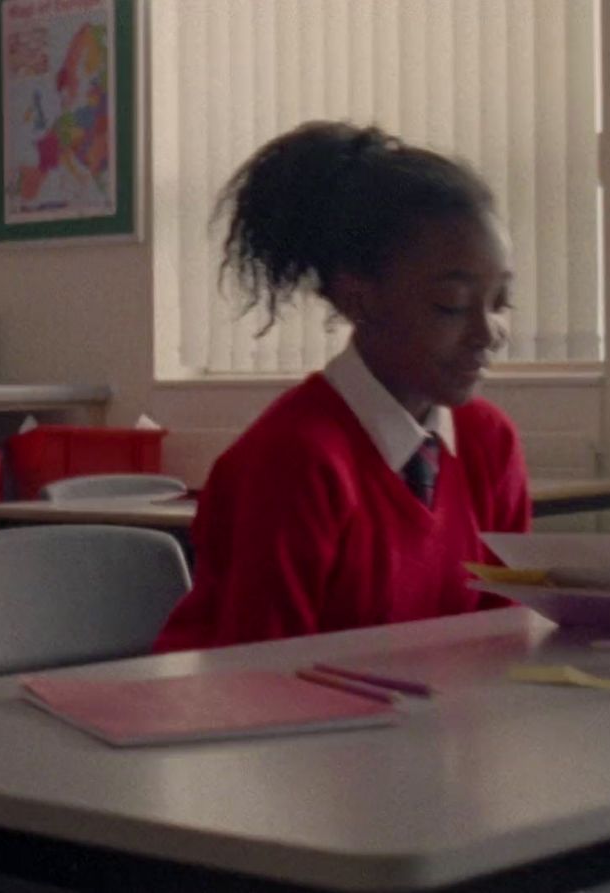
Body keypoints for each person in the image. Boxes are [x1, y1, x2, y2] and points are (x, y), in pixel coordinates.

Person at [152, 120, 531, 652]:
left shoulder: (490, 442)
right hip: (239, 723)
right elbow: (262, 681)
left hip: (408, 729)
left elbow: (503, 642)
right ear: (360, 298)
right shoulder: (296, 458)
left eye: (500, 304)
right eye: (451, 305)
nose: (487, 333)